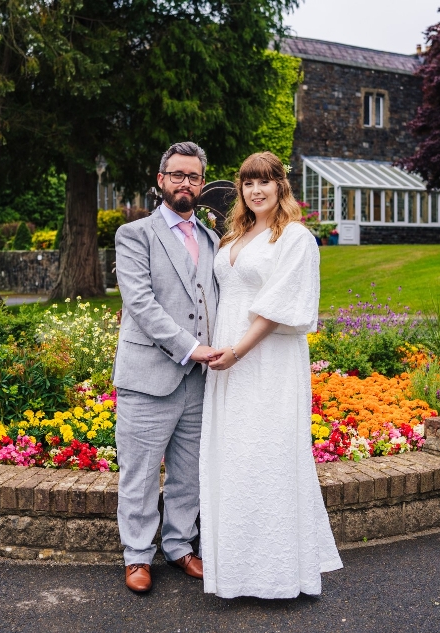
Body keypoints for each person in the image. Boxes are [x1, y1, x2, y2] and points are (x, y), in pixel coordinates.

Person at [199, 151, 343, 599]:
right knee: (235, 457)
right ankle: (235, 569)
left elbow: (282, 305)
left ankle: (277, 574)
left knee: (268, 455)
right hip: (228, 361)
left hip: (265, 361)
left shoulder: (296, 238)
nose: (256, 190)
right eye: (247, 183)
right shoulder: (236, 234)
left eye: (265, 182)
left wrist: (238, 350)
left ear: (282, 186)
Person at [112, 141, 221, 594]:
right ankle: (137, 555)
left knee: (188, 471)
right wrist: (192, 347)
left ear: (201, 184)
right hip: (149, 376)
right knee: (138, 473)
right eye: (177, 175)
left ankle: (179, 546)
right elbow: (141, 304)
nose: (185, 183)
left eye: (193, 177)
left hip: (199, 381)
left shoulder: (213, 239)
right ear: (161, 181)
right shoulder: (134, 235)